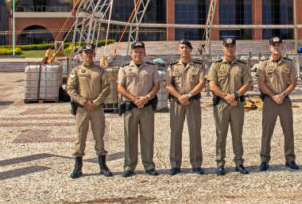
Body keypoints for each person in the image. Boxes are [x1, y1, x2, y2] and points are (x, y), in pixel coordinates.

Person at [66, 43, 112, 178]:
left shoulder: (101, 71)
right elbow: (70, 89)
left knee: (99, 136)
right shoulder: (76, 71)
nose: (89, 55)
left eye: (91, 52)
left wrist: (96, 102)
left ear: (94, 54)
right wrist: (83, 102)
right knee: (80, 137)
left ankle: (103, 166)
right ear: (82, 55)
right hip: (82, 109)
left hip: (97, 109)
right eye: (86, 53)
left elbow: (106, 88)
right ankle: (77, 167)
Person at [207, 37, 251, 175]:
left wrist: (235, 95)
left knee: (237, 135)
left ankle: (239, 162)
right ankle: (220, 163)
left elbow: (248, 84)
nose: (230, 49)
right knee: (221, 135)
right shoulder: (216, 65)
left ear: (235, 48)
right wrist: (226, 96)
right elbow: (212, 85)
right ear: (223, 48)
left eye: (232, 46)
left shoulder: (242, 65)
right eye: (227, 47)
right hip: (221, 104)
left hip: (237, 104)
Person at [117, 41, 161, 177]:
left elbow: (157, 85)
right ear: (131, 53)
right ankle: (129, 166)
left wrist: (146, 97)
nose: (138, 54)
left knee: (147, 137)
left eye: (141, 52)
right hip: (131, 107)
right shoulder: (124, 68)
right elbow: (120, 87)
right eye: (135, 51)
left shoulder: (152, 68)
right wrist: (133, 98)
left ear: (145, 53)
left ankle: (148, 165)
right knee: (130, 137)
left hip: (146, 106)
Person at [257, 36, 298, 171]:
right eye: (273, 45)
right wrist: (273, 96)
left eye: (278, 45)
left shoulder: (289, 63)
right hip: (270, 101)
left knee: (288, 131)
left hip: (284, 100)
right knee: (267, 131)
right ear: (270, 47)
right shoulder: (263, 64)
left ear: (282, 47)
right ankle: (264, 159)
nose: (276, 47)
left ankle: (290, 159)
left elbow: (292, 83)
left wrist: (282, 95)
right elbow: (261, 83)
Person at [165, 39, 206, 175]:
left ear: (191, 50)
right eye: (181, 47)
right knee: (175, 133)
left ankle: (196, 163)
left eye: (186, 48)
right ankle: (175, 164)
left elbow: (201, 83)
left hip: (192, 102)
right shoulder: (172, 66)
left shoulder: (198, 66)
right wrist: (179, 96)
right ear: (178, 50)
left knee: (194, 133)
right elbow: (168, 84)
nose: (184, 50)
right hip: (177, 103)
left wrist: (187, 95)